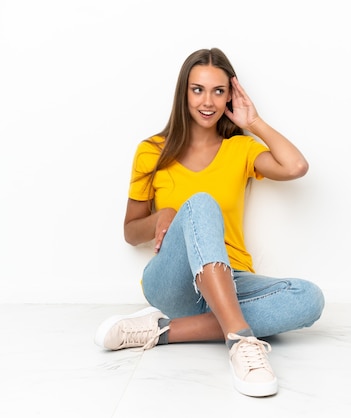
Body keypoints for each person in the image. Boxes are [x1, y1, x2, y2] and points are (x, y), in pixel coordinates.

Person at [94, 48, 325, 398]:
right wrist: (164, 216)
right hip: (175, 283)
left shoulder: (240, 150)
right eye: (198, 89)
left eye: (219, 91)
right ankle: (240, 341)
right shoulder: (151, 151)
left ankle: (159, 331)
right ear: (183, 93)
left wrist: (255, 123)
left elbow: (296, 167)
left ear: (230, 95)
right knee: (200, 203)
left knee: (309, 299)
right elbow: (130, 232)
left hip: (233, 281)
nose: (208, 101)